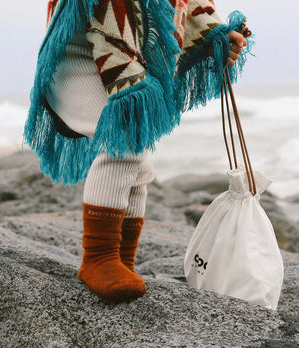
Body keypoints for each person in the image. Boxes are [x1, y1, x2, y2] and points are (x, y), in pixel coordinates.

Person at [24, 0, 249, 302]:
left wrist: (215, 34)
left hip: (124, 53)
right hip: (80, 53)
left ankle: (122, 260)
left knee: (139, 161)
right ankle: (99, 258)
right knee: (125, 142)